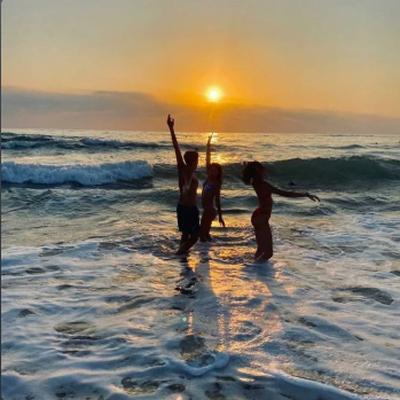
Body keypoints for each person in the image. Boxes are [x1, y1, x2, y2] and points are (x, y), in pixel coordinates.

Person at [242, 161, 320, 262]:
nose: (265, 170)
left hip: (259, 216)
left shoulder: (256, 183)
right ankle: (256, 267)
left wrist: (248, 167)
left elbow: (251, 172)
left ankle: (255, 268)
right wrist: (305, 194)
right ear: (258, 171)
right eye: (262, 169)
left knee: (261, 250)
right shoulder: (263, 185)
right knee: (268, 253)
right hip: (261, 218)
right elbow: (285, 193)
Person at [167, 114, 200, 254]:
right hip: (186, 208)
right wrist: (171, 129)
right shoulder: (183, 170)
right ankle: (179, 254)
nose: (198, 162)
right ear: (193, 161)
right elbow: (176, 149)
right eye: (197, 160)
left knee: (186, 235)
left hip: (190, 208)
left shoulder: (192, 173)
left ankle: (182, 259)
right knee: (195, 236)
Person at [200, 133, 225, 241]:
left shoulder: (216, 184)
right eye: (211, 170)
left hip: (209, 211)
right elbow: (207, 159)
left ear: (218, 173)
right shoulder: (208, 178)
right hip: (206, 210)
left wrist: (220, 216)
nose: (212, 171)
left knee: (202, 234)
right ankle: (209, 247)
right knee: (204, 233)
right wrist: (208, 144)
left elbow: (217, 201)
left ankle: (206, 249)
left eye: (215, 171)